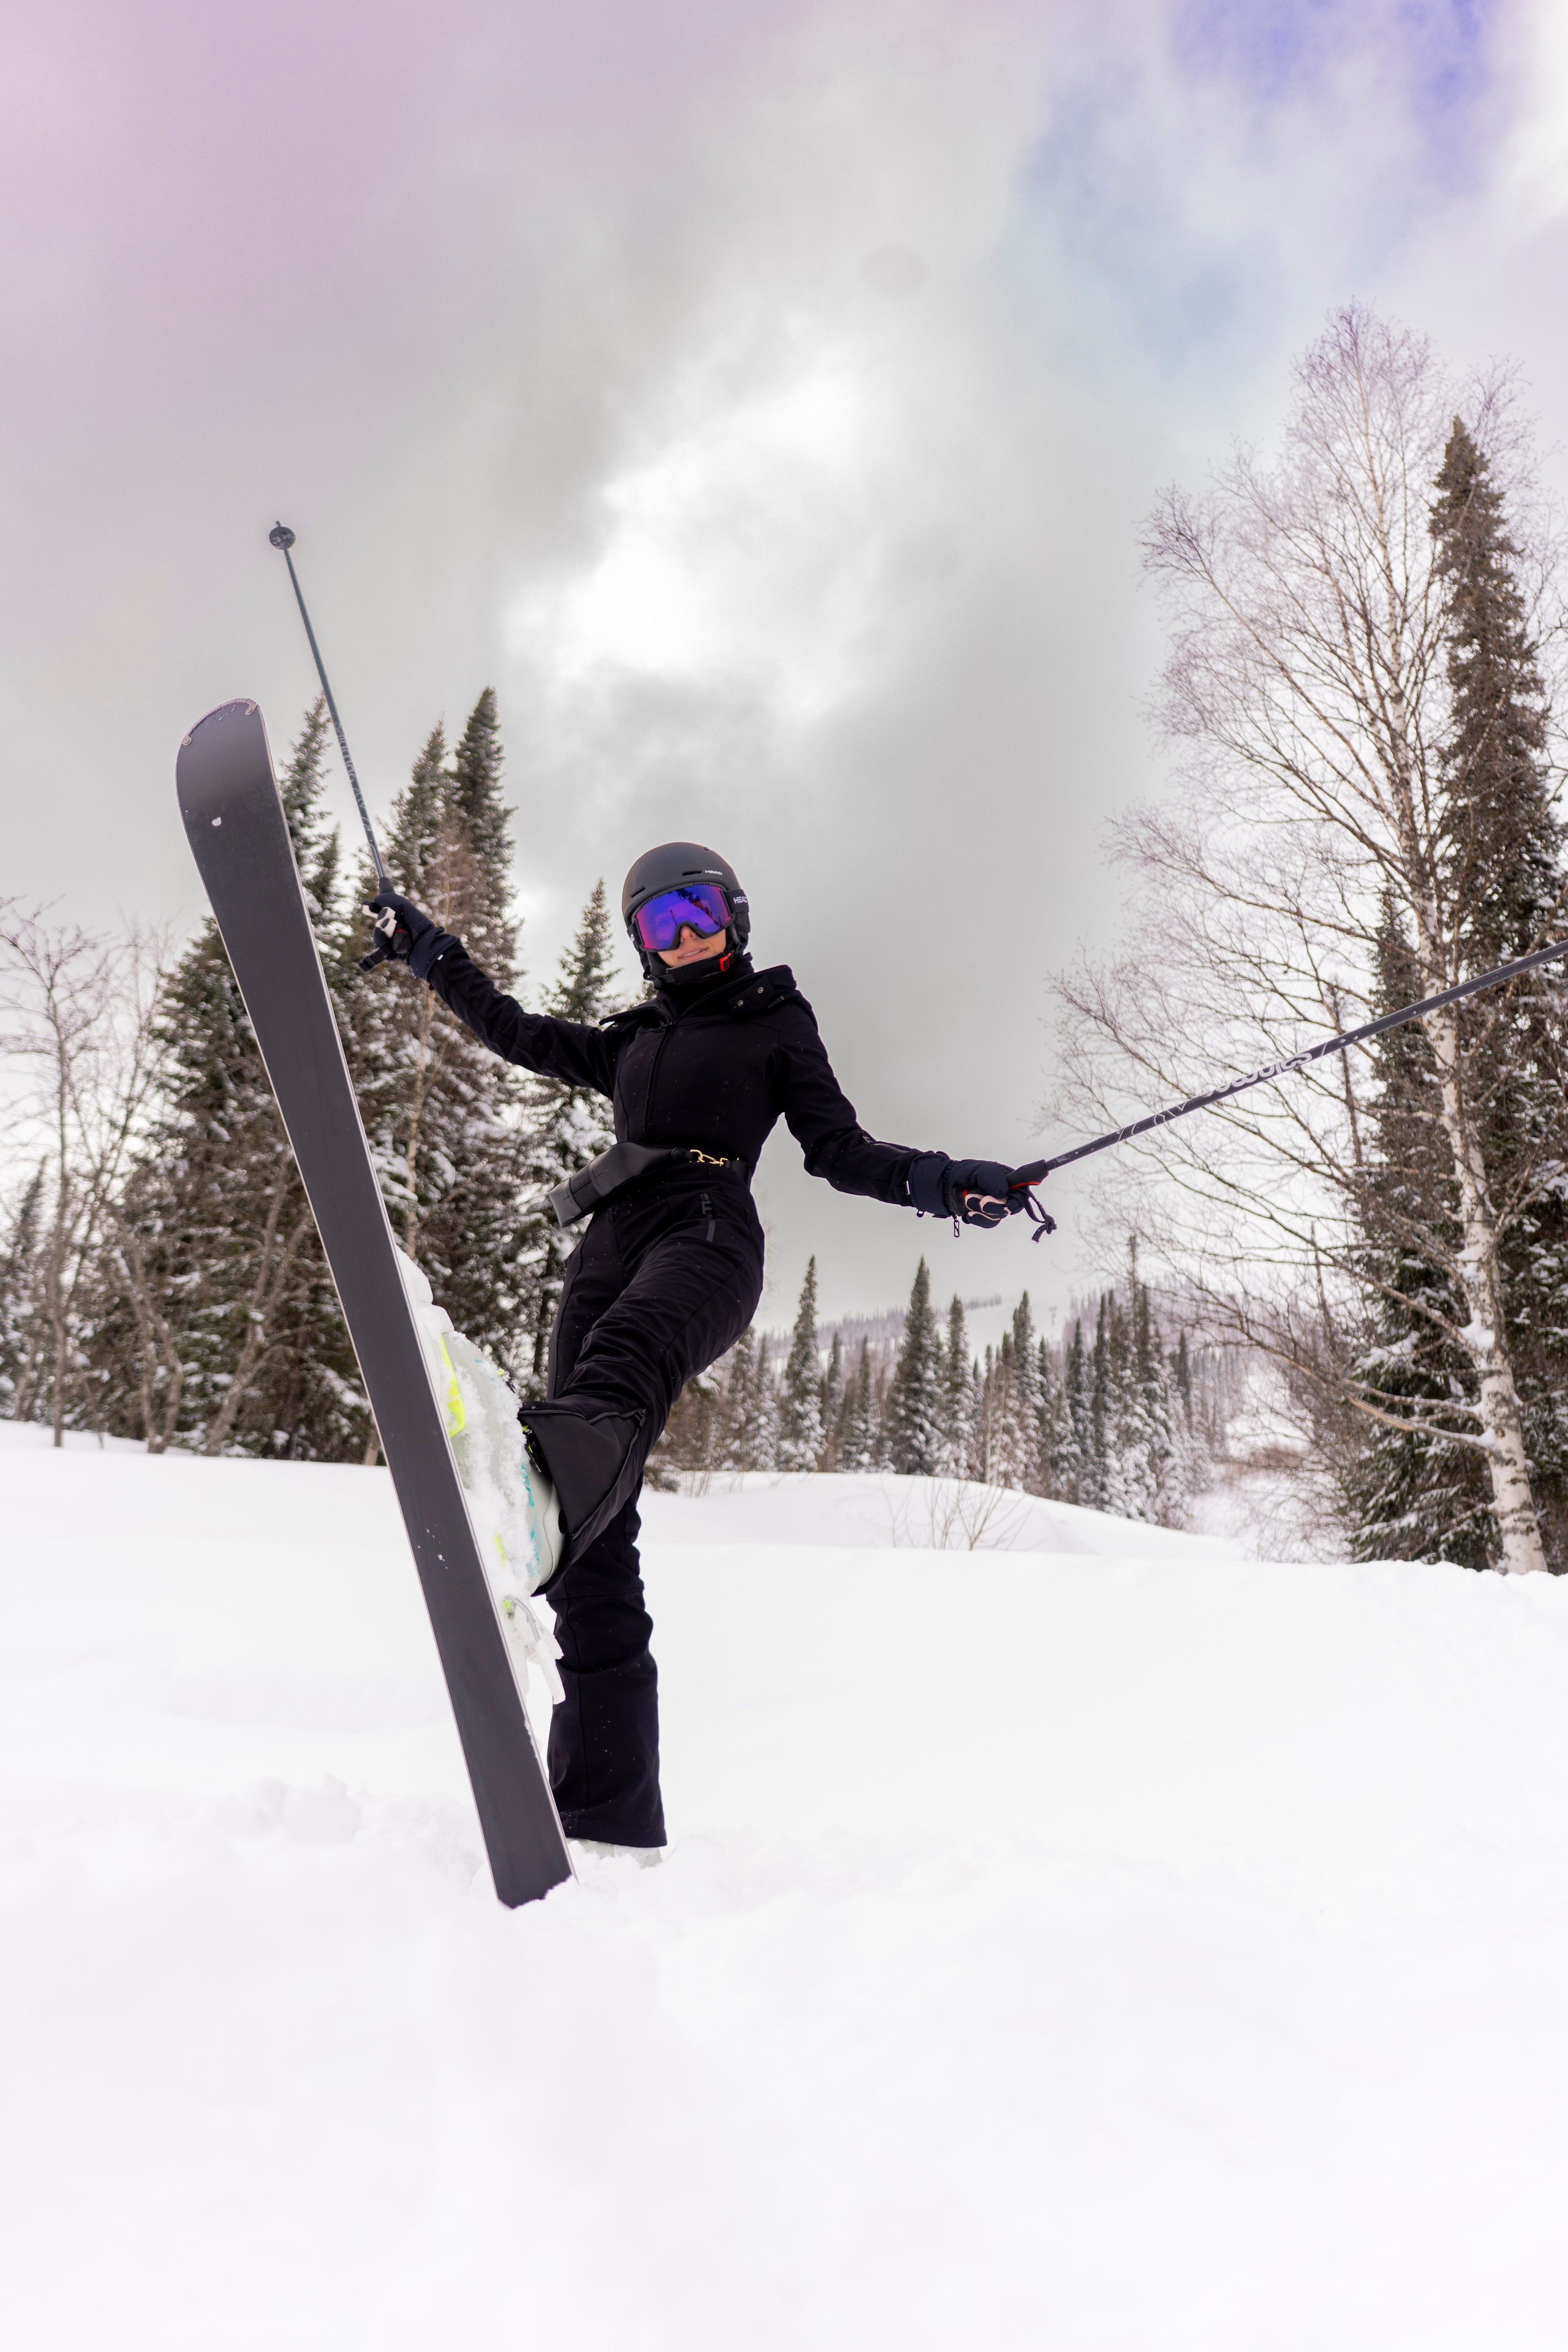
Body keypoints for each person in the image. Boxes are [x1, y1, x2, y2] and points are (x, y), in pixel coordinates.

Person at [367, 843, 1044, 1856]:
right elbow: (517, 1034)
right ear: (641, 943)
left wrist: (950, 1182)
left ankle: (547, 1473)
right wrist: (431, 953)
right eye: (659, 924)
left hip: (708, 1233)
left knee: (624, 1364)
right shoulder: (631, 1037)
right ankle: (604, 1817)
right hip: (609, 1242)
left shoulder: (775, 1021)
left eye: (699, 915)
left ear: (734, 917)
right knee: (595, 1547)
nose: (684, 939)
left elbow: (841, 1152)